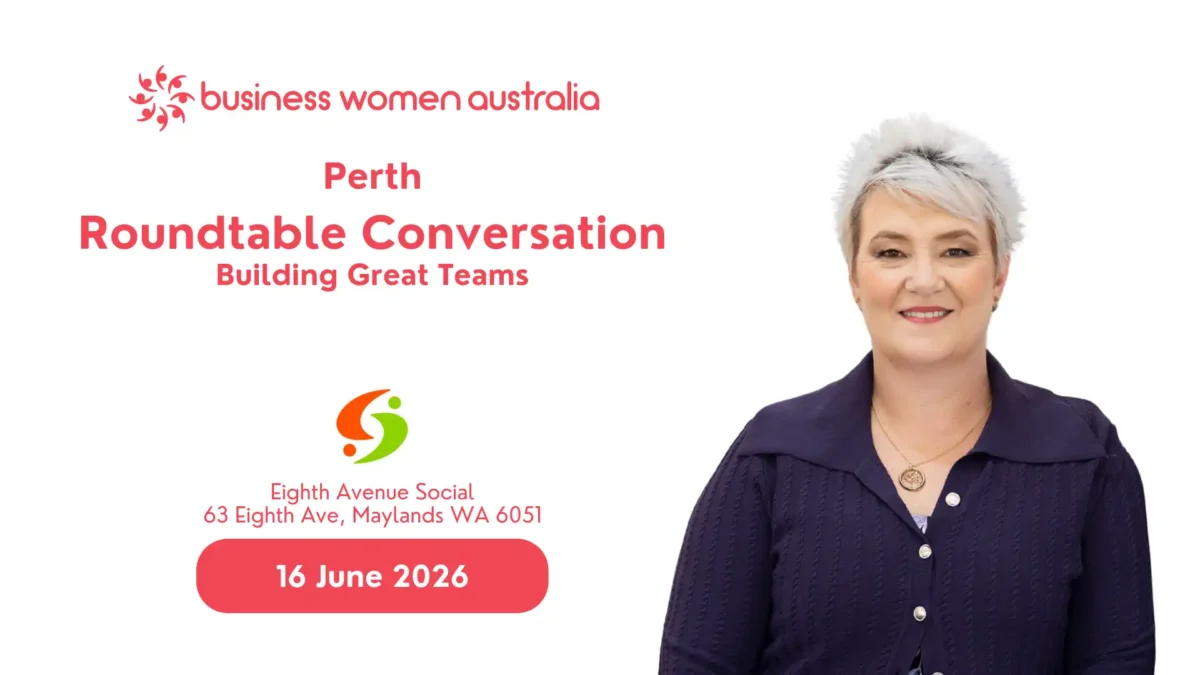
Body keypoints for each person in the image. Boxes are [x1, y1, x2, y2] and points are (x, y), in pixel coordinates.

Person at [658, 114, 1155, 674]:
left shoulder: (1084, 452)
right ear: (854, 278)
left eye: (956, 251)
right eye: (891, 253)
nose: (923, 280)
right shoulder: (771, 454)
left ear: (999, 276)